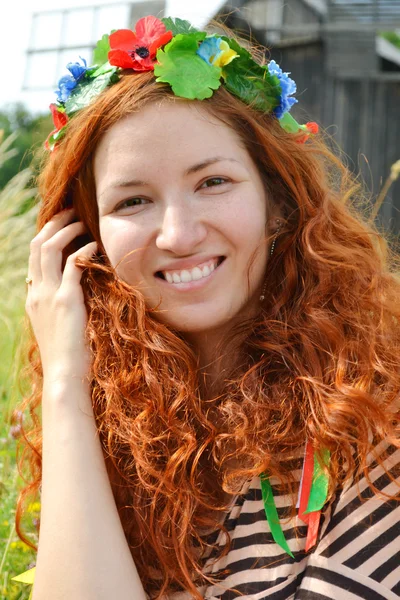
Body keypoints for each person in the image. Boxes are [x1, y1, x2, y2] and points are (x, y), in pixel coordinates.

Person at [13, 15, 400, 600]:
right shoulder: (112, 439)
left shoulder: (375, 420)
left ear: (277, 201)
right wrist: (67, 384)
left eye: (213, 182)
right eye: (133, 199)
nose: (178, 234)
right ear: (85, 239)